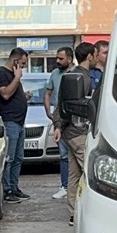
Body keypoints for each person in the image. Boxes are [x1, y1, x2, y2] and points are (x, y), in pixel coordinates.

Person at [53, 41, 96, 227]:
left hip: (70, 132)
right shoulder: (81, 78)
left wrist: (59, 126)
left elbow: (60, 104)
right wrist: (59, 125)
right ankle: (88, 213)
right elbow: (68, 105)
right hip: (78, 133)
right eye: (95, 54)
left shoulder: (74, 76)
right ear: (89, 56)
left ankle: (73, 213)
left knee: (74, 174)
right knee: (89, 173)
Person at [0, 47, 30, 203]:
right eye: (22, 63)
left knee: (18, 158)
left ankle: (14, 187)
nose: (23, 67)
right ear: (15, 61)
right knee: (9, 157)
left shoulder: (14, 75)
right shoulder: (1, 74)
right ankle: (7, 190)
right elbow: (5, 93)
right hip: (10, 121)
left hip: (19, 122)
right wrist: (17, 78)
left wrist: (23, 96)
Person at [44, 45, 74, 200]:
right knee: (63, 155)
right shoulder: (55, 73)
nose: (57, 61)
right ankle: (64, 186)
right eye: (57, 58)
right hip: (58, 115)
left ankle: (75, 187)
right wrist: (48, 110)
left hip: (74, 117)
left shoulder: (76, 73)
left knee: (75, 154)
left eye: (61, 58)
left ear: (69, 59)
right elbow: (48, 93)